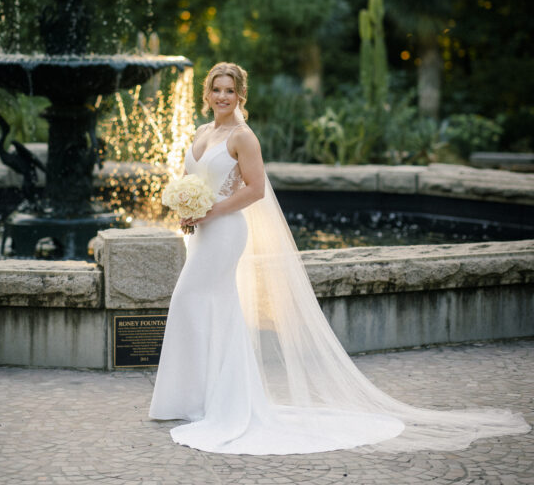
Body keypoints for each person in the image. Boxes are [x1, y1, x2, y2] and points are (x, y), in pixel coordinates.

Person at [149, 62, 530, 455]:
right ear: (207, 93)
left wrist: (211, 211)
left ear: (240, 95)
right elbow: (192, 180)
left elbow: (257, 189)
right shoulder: (200, 132)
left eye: (230, 90)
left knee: (191, 299)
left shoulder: (244, 137)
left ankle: (221, 403)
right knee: (207, 304)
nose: (223, 96)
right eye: (216, 89)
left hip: (225, 231)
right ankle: (198, 399)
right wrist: (186, 207)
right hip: (202, 231)